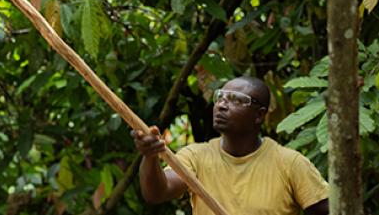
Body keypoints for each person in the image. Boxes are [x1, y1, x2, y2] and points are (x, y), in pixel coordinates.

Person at [132, 76, 329, 215]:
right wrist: (149, 156)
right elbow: (156, 193)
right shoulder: (196, 157)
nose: (221, 105)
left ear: (259, 115)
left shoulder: (290, 163)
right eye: (220, 97)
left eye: (235, 100)